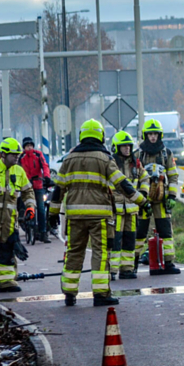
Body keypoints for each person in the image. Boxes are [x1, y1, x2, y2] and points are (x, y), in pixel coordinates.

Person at [48, 120, 147, 306]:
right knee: (100, 253)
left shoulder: (69, 159)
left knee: (74, 252)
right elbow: (122, 183)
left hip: (75, 216)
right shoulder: (104, 158)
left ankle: (69, 293)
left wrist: (52, 214)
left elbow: (58, 189)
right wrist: (142, 202)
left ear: (81, 136)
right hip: (99, 216)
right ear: (101, 136)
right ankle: (101, 294)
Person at [133, 118, 180, 274]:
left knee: (165, 231)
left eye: (155, 134)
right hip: (143, 200)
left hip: (161, 199)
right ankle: (131, 265)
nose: (153, 137)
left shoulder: (166, 153)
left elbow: (173, 176)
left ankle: (168, 264)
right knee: (140, 233)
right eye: (150, 134)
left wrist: (172, 196)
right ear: (145, 136)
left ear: (160, 136)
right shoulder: (138, 154)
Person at [110, 131, 149, 280]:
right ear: (116, 147)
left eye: (129, 145)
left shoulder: (136, 163)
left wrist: (143, 194)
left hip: (132, 209)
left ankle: (127, 269)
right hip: (117, 209)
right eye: (123, 146)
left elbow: (145, 178)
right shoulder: (111, 163)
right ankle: (112, 271)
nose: (127, 148)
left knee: (129, 239)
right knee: (115, 240)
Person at [0, 139, 35, 293]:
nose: (17, 158)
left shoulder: (18, 171)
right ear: (4, 154)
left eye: (18, 155)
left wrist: (30, 207)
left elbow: (28, 192)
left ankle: (6, 281)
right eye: (14, 155)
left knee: (7, 249)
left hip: (10, 220)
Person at [19, 137, 50, 243]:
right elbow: (17, 168)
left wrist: (46, 177)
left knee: (41, 208)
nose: (29, 147)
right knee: (25, 206)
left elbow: (44, 166)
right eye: (27, 146)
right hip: (26, 185)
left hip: (38, 185)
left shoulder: (38, 155)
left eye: (31, 145)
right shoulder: (21, 157)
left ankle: (43, 232)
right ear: (24, 147)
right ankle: (25, 224)